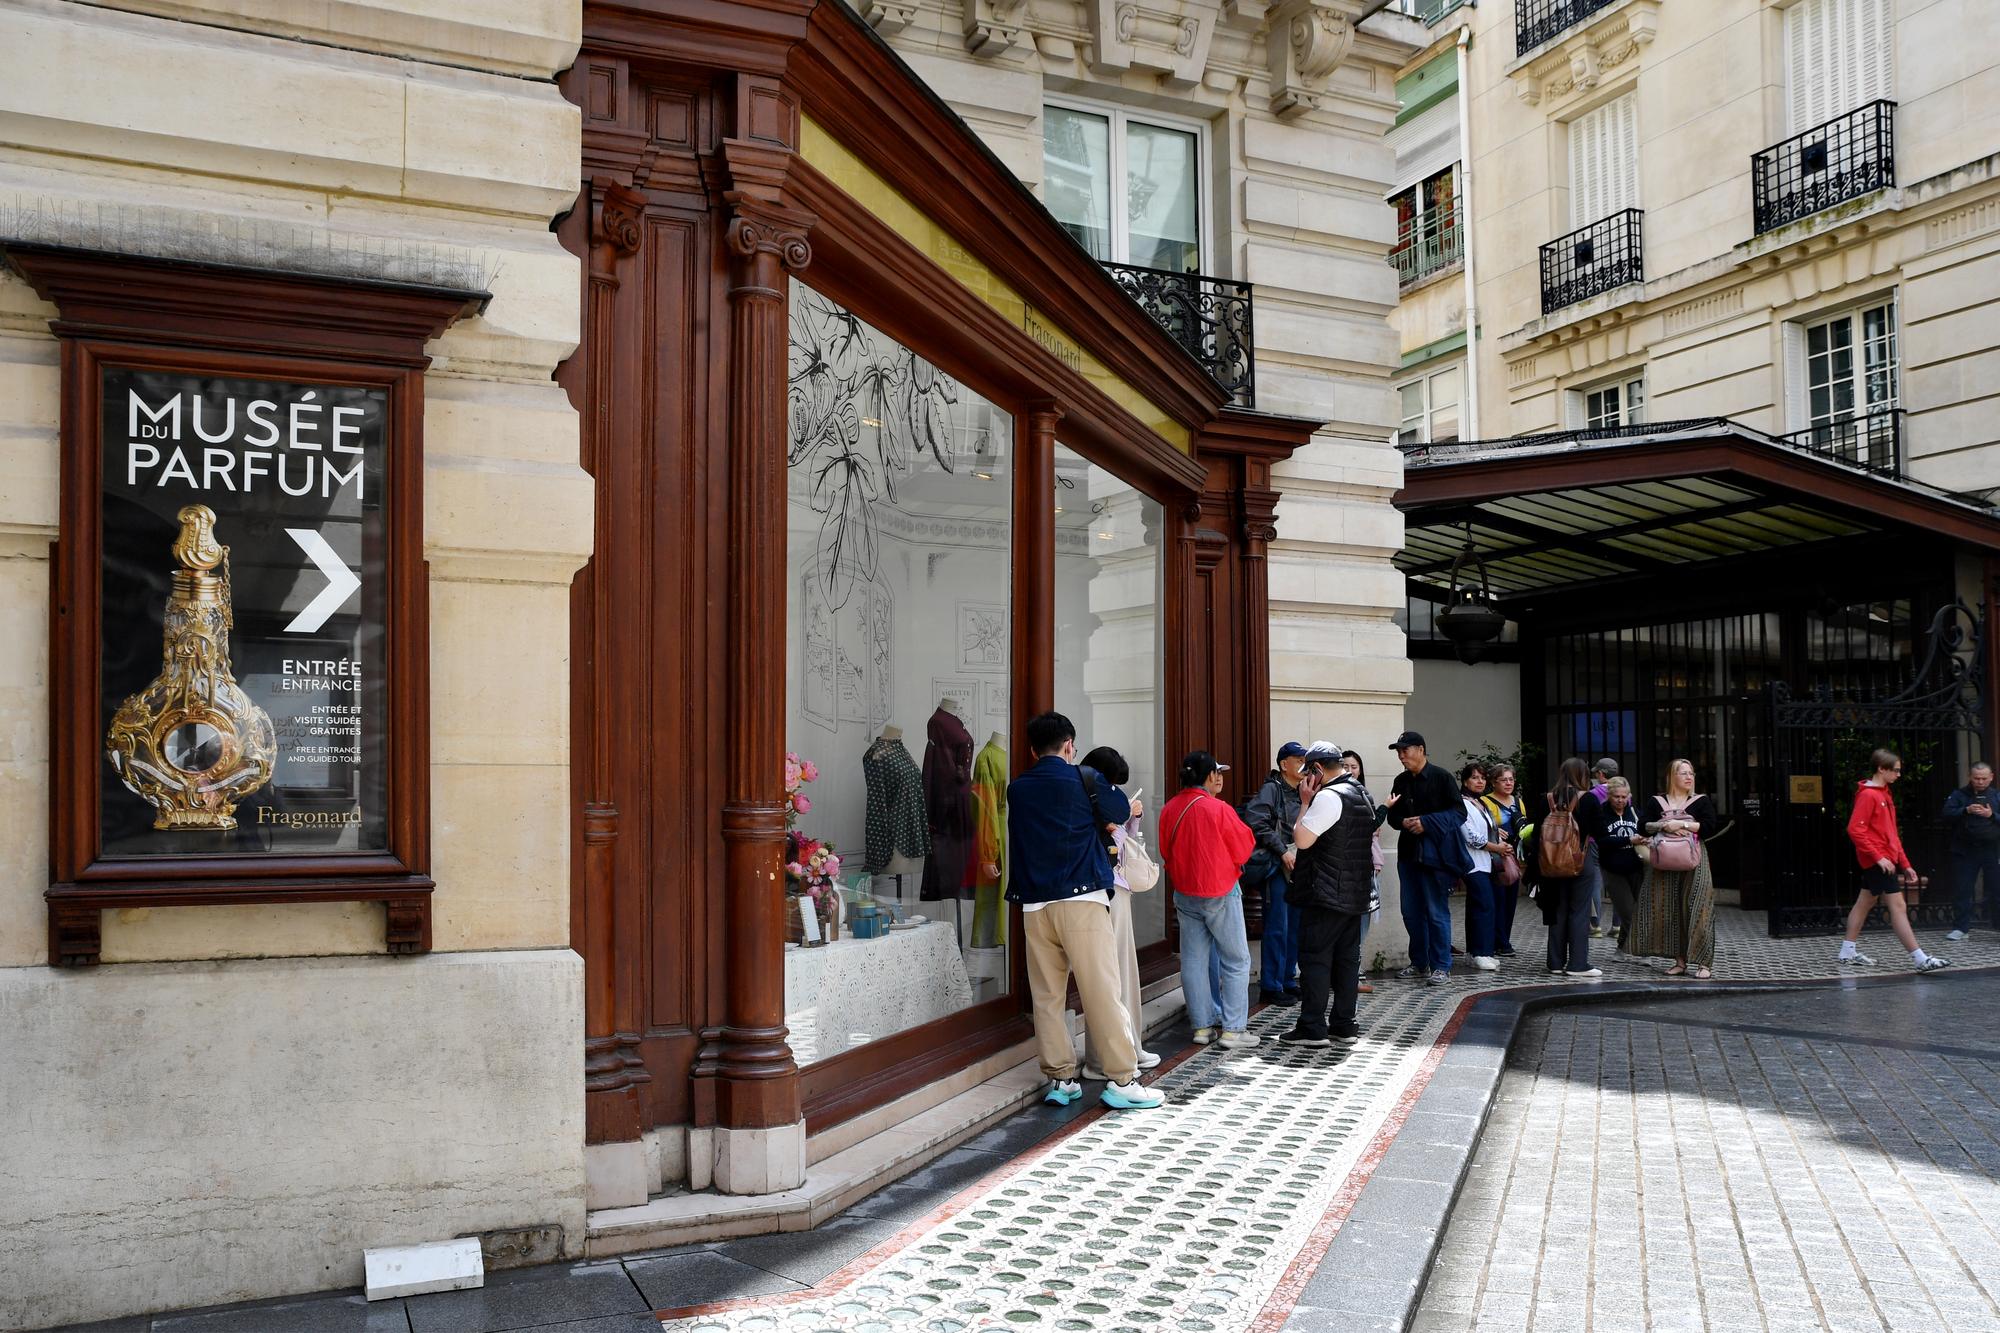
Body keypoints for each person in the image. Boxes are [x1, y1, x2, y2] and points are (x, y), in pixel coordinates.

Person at [1006, 712, 1166, 1110]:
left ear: (1031, 749)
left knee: (1047, 997)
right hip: (1081, 901)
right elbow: (1118, 811)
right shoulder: (1086, 780)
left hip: (1034, 905)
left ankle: (1061, 1079)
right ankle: (1122, 1080)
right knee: (1102, 992)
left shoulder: (1018, 788)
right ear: (1070, 745)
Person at [1160, 750, 1260, 1049]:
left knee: (1193, 960)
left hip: (1185, 891)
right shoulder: (1218, 809)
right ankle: (1233, 1030)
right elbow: (1244, 850)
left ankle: (1201, 1027)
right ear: (1209, 775)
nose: (1220, 777)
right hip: (1219, 890)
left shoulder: (1169, 808)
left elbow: (1165, 850)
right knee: (1236, 959)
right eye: (1216, 772)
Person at [1279, 742, 1375, 1048]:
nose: (1307, 779)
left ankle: (1312, 1027)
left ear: (1319, 770)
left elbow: (1302, 840)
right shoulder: (1362, 793)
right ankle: (1344, 1025)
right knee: (1347, 960)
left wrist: (1305, 802)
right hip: (1355, 893)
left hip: (1325, 893)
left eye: (1310, 772)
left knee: (1315, 959)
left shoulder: (1329, 797)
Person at [1078, 746, 1163, 1081]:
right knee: (1114, 974)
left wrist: (1130, 820)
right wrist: (1122, 821)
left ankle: (1124, 1048)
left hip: (1107, 892)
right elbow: (1110, 844)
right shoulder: (1089, 799)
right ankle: (1112, 1055)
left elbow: (1122, 843)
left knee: (1115, 973)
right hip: (1106, 892)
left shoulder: (1089, 795)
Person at [1839, 748, 1951, 973]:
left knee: (1865, 903)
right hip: (1879, 862)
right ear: (1882, 769)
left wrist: (1905, 864)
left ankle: (1847, 951)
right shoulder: (1870, 795)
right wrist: (1879, 857)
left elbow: (1891, 834)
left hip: (1882, 859)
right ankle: (1919, 958)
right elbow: (1854, 830)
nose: (1899, 775)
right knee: (1898, 906)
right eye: (1896, 770)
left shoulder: (1883, 793)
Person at [1625, 758, 1722, 978]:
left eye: (1692, 773)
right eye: (1684, 773)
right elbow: (1643, 826)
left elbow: (1709, 826)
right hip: (1664, 860)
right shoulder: (1657, 802)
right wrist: (1664, 826)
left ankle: (1704, 963)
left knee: (1699, 908)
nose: (1689, 777)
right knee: (1669, 909)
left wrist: (1682, 824)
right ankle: (1680, 961)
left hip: (1694, 861)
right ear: (1671, 777)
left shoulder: (1700, 801)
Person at [1386, 731, 1468, 985]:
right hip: (1408, 854)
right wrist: (1404, 821)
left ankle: (1441, 965)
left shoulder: (1442, 777)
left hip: (1436, 855)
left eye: (1405, 750)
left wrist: (1427, 823)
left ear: (1420, 749)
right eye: (1398, 751)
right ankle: (1419, 962)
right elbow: (1392, 817)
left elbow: (1459, 813)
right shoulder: (1401, 781)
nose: (1401, 756)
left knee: (1436, 912)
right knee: (1410, 912)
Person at [1244, 742, 1307, 1005]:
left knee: (1294, 926)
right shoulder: (1272, 789)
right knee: (1277, 927)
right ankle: (1271, 985)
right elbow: (1255, 820)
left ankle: (1287, 979)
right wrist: (1282, 851)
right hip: (1277, 867)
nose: (1304, 765)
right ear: (1284, 765)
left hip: (1298, 868)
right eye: (1298, 760)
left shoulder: (1304, 791)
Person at [1538, 757, 1601, 978]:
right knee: (1580, 911)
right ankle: (1577, 964)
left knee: (1558, 910)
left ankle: (1554, 962)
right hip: (1579, 862)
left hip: (1551, 863)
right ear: (1583, 775)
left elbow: (1536, 832)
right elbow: (1599, 831)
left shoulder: (1547, 799)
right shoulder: (1589, 799)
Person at [1341, 750, 1384, 992]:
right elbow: (1369, 827)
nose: (1349, 770)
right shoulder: (1341, 796)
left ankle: (1352, 973)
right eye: (1344, 766)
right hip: (1351, 870)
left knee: (1361, 925)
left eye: (1354, 766)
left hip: (1367, 867)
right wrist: (1385, 809)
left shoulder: (1364, 795)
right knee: (1353, 925)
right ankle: (1351, 977)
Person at [1943, 761, 2000, 941]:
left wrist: (1992, 815)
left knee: (1997, 889)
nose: (1980, 782)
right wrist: (1965, 810)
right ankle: (1961, 928)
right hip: (1965, 850)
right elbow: (1946, 814)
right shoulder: (1959, 795)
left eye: (1984, 778)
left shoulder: (1997, 796)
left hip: (1992, 850)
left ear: (1991, 778)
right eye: (1976, 778)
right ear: (1970, 777)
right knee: (1963, 889)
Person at [1459, 763, 1502, 971]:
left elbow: (1485, 830)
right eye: (1475, 778)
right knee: (1484, 906)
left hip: (1484, 862)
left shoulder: (1480, 803)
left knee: (1478, 907)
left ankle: (1474, 951)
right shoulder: (1463, 803)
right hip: (1472, 862)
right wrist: (1496, 847)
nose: (1480, 782)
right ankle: (1480, 952)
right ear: (1465, 780)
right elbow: (1470, 836)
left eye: (1483, 778)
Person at [1596, 777, 1646, 952]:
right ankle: (1641, 949)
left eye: (1624, 797)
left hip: (1636, 867)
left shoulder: (1634, 812)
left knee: (1640, 909)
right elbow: (1602, 841)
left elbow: (1644, 829)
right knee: (1628, 912)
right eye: (1617, 796)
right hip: (1613, 869)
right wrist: (1628, 839)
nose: (1620, 800)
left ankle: (1621, 947)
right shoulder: (1601, 813)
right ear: (1609, 795)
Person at [1479, 764, 1524, 957]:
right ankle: (1500, 941)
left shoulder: (1517, 801)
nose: (1508, 783)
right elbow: (1482, 827)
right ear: (1494, 782)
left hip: (1513, 854)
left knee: (1511, 898)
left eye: (1511, 779)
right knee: (1498, 898)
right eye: (1504, 780)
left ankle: (1505, 937)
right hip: (1495, 856)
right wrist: (1496, 832)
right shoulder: (1485, 801)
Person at [1584, 758, 1618, 937]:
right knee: (1616, 883)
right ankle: (1617, 927)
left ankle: (1595, 925)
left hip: (1595, 841)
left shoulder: (1594, 793)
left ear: (1601, 774)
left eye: (1597, 773)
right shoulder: (1623, 792)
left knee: (1595, 884)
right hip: (1616, 841)